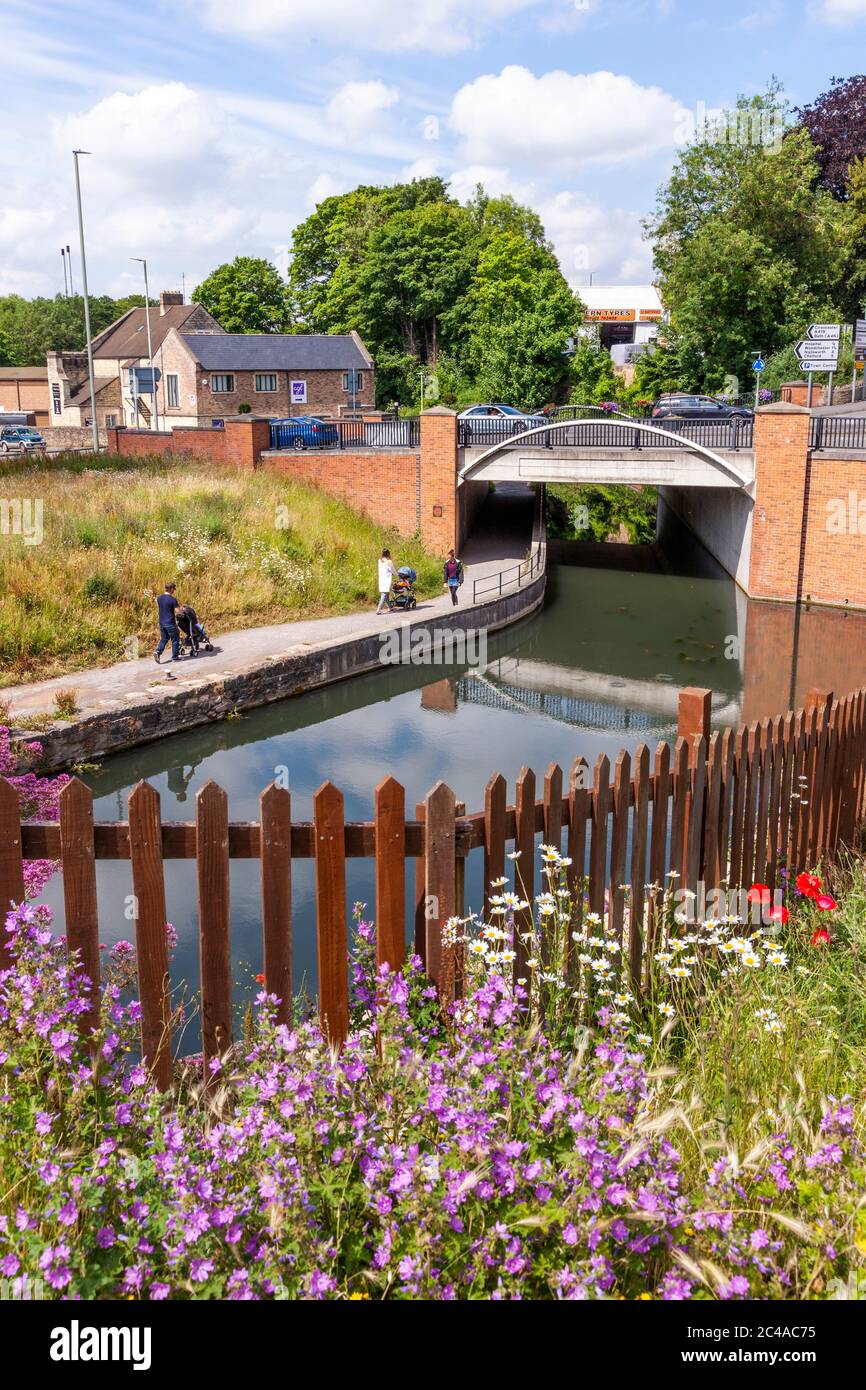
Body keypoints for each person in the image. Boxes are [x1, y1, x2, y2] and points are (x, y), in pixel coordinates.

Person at [154, 582, 183, 672]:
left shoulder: (159, 598)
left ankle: (158, 652)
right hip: (170, 622)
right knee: (175, 639)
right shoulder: (172, 600)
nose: (174, 591)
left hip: (161, 622)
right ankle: (175, 657)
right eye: (173, 589)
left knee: (164, 638)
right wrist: (182, 610)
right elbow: (178, 612)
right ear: (170, 589)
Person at [376, 548, 396, 614]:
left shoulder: (379, 560)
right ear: (388, 554)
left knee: (386, 594)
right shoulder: (389, 561)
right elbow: (392, 569)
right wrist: (397, 574)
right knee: (384, 594)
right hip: (386, 579)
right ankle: (379, 609)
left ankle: (390, 607)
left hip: (381, 578)